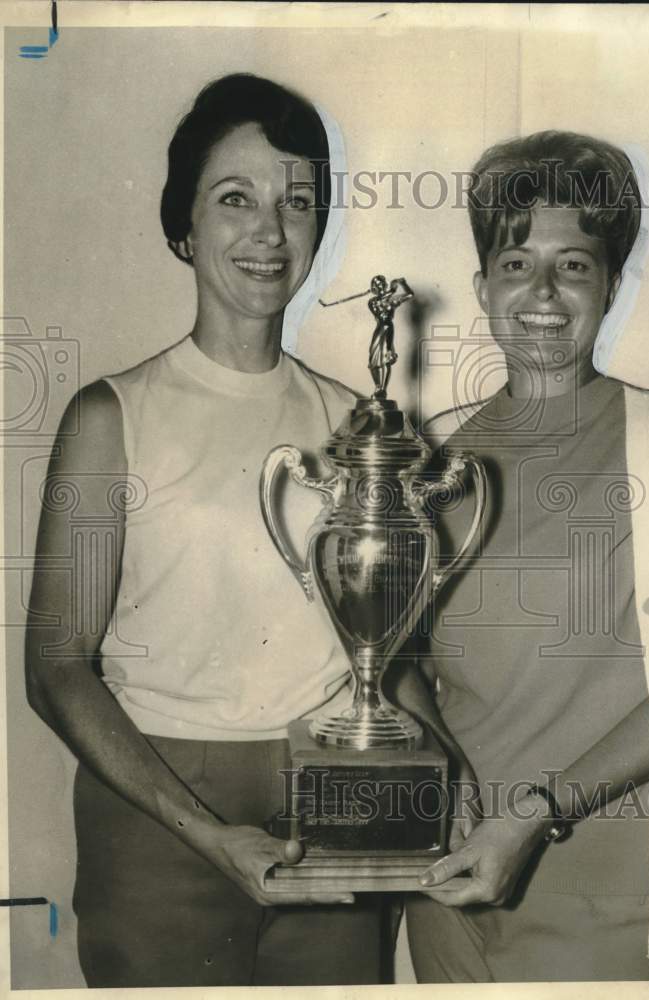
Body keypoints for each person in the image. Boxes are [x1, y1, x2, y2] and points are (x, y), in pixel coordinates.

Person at [25, 72, 394, 988]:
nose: (270, 230)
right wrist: (202, 829)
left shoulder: (360, 425)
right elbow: (55, 667)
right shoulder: (108, 416)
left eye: (296, 201)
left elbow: (382, 651)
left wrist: (452, 781)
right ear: (183, 226)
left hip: (331, 806)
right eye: (237, 199)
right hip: (159, 817)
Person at [405, 131, 649, 981]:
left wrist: (531, 816)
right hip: (447, 881)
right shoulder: (434, 459)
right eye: (518, 262)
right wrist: (435, 762)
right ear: (485, 286)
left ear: (610, 285)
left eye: (575, 264)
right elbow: (393, 653)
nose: (545, 293)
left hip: (609, 895)